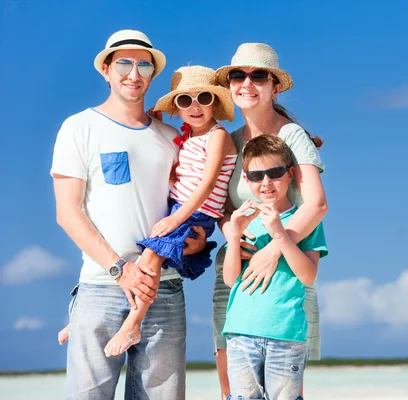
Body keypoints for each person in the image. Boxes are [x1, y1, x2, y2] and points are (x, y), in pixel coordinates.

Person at [50, 29, 206, 399]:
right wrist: (120, 269)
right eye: (123, 62)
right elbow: (67, 212)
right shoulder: (79, 127)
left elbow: (183, 208)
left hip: (163, 290)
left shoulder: (172, 138)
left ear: (152, 75)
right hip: (101, 287)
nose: (133, 73)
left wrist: (195, 245)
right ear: (106, 69)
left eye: (144, 65)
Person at [57, 65, 237, 358]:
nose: (194, 106)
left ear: (215, 103)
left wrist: (176, 218)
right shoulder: (186, 139)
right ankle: (81, 322)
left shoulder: (217, 136)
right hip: (179, 209)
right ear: (176, 109)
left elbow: (206, 184)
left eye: (203, 98)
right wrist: (155, 119)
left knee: (150, 260)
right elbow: (176, 177)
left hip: (195, 213)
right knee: (145, 261)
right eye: (183, 101)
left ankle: (133, 323)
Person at [212, 43, 328, 399]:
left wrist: (274, 249)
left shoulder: (291, 135)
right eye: (238, 75)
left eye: (258, 75)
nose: (247, 83)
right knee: (232, 387)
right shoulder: (229, 142)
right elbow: (222, 209)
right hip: (236, 272)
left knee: (286, 391)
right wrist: (233, 236)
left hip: (286, 271)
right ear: (229, 84)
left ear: (274, 86)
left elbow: (317, 204)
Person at [222, 135, 328, 399]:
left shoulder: (306, 221)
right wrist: (234, 237)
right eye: (257, 176)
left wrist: (281, 235)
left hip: (286, 334)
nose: (266, 182)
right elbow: (231, 279)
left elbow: (308, 275)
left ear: (290, 174)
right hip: (241, 332)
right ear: (246, 180)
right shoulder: (246, 222)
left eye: (275, 173)